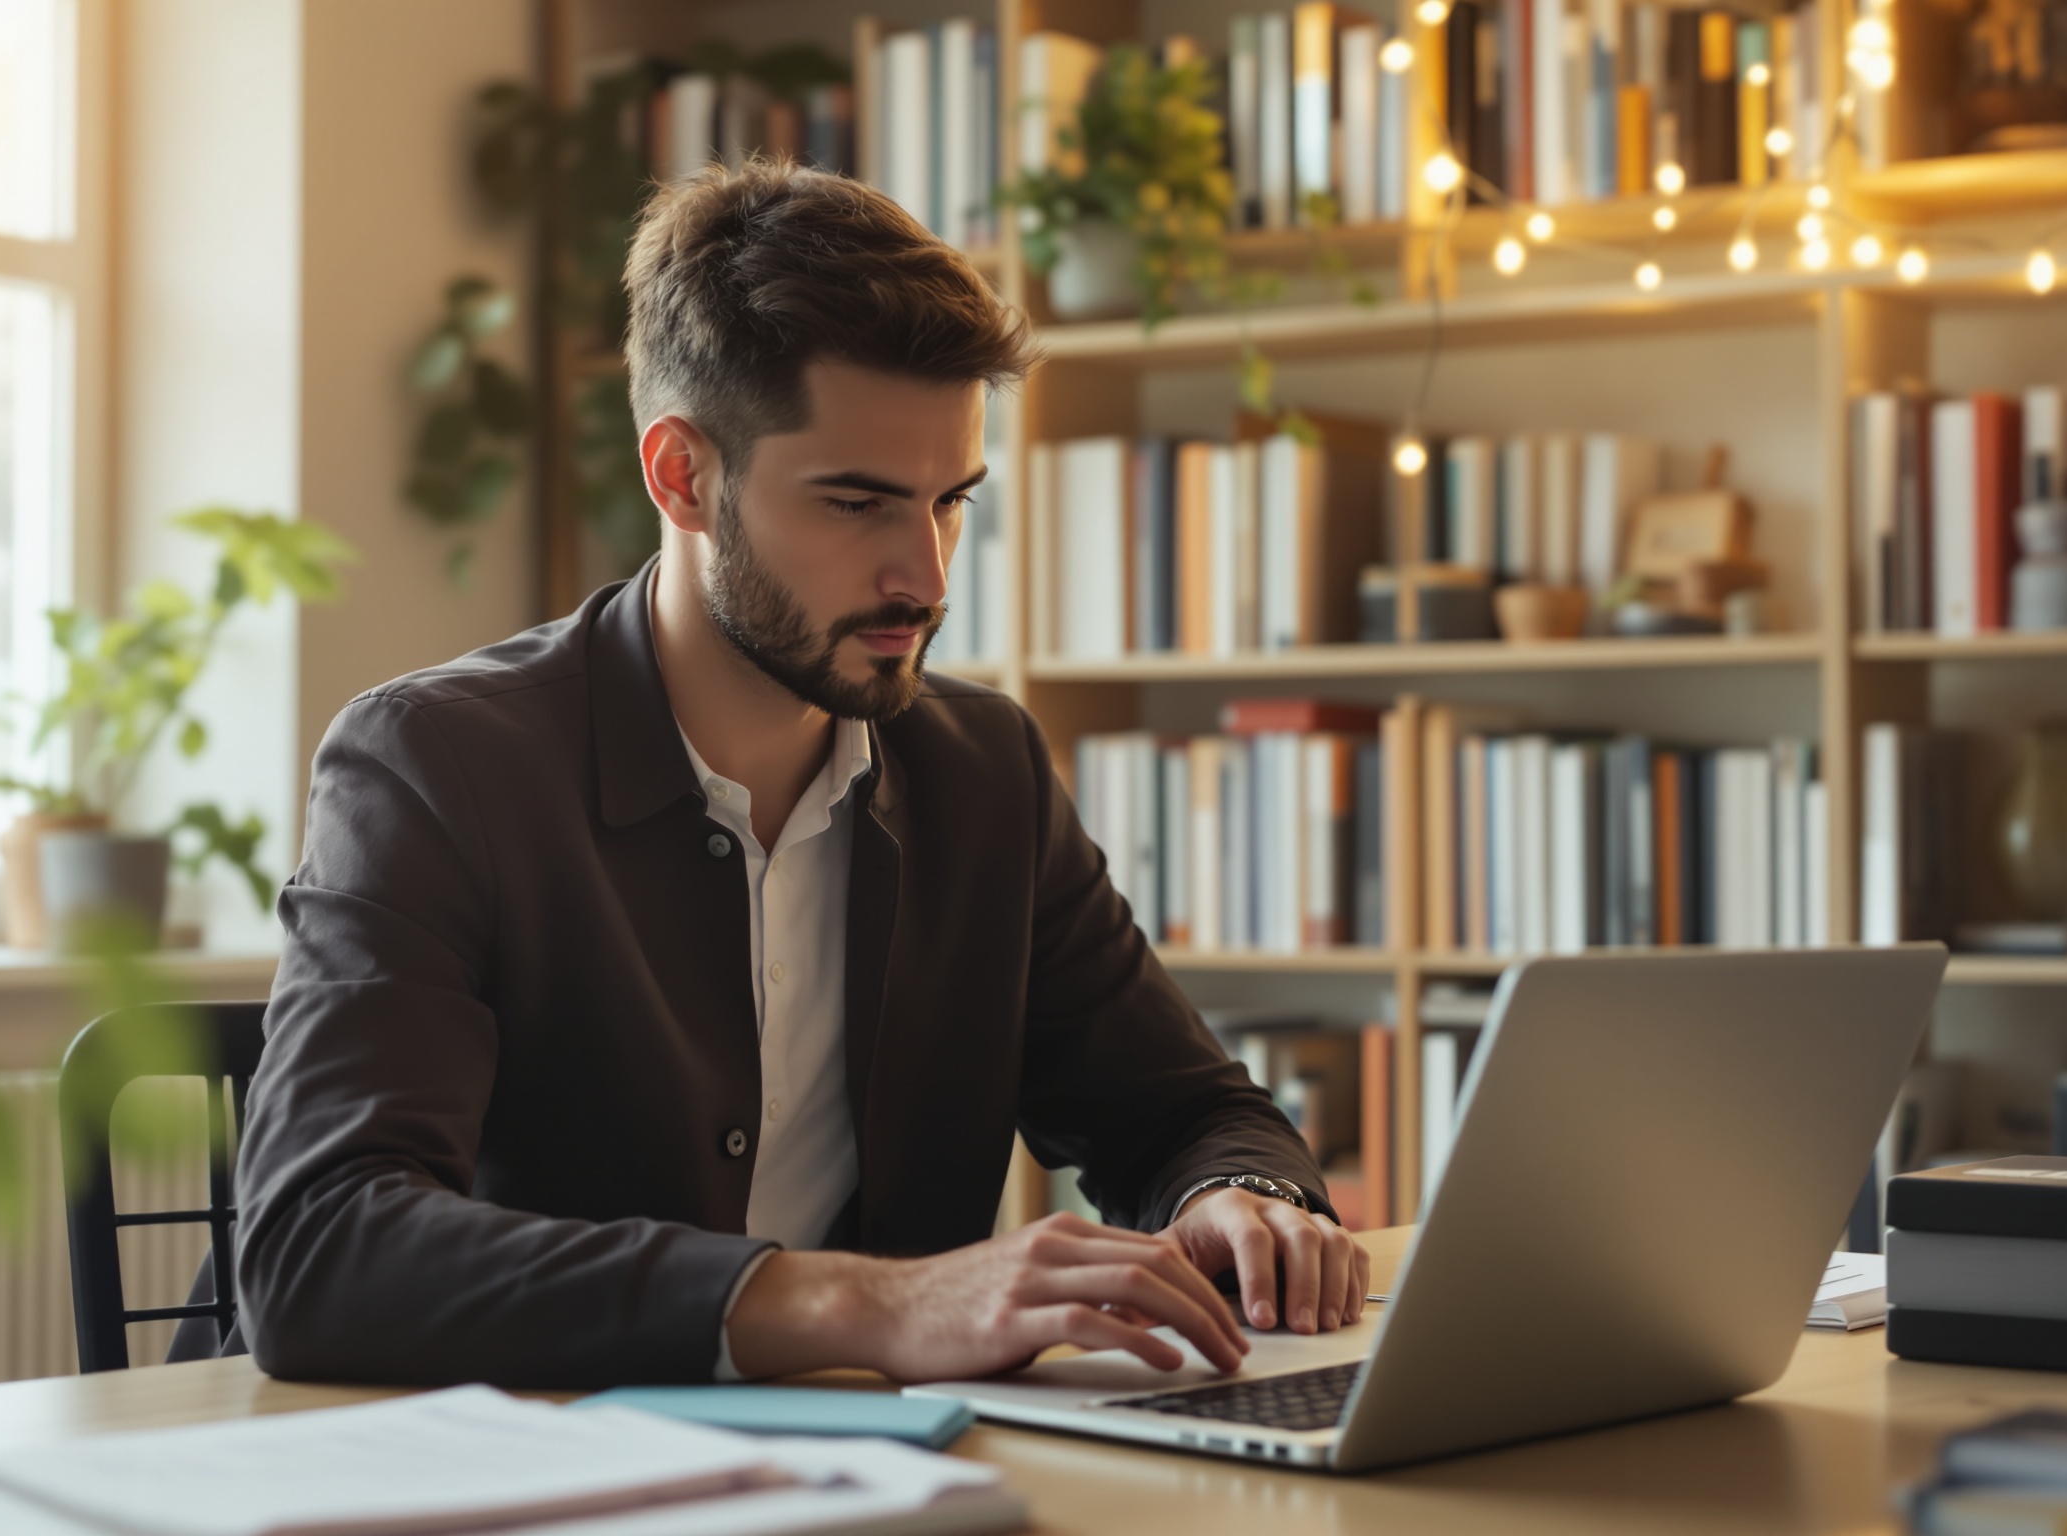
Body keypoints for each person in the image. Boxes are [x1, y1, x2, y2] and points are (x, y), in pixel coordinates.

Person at [231, 160, 1365, 1389]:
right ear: (683, 477)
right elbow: (318, 1249)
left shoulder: (984, 773)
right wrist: (867, 1305)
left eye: (949, 504)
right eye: (858, 502)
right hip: (475, 1478)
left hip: (872, 1480)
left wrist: (1240, 1198)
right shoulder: (436, 766)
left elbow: (1187, 1112)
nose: (924, 576)